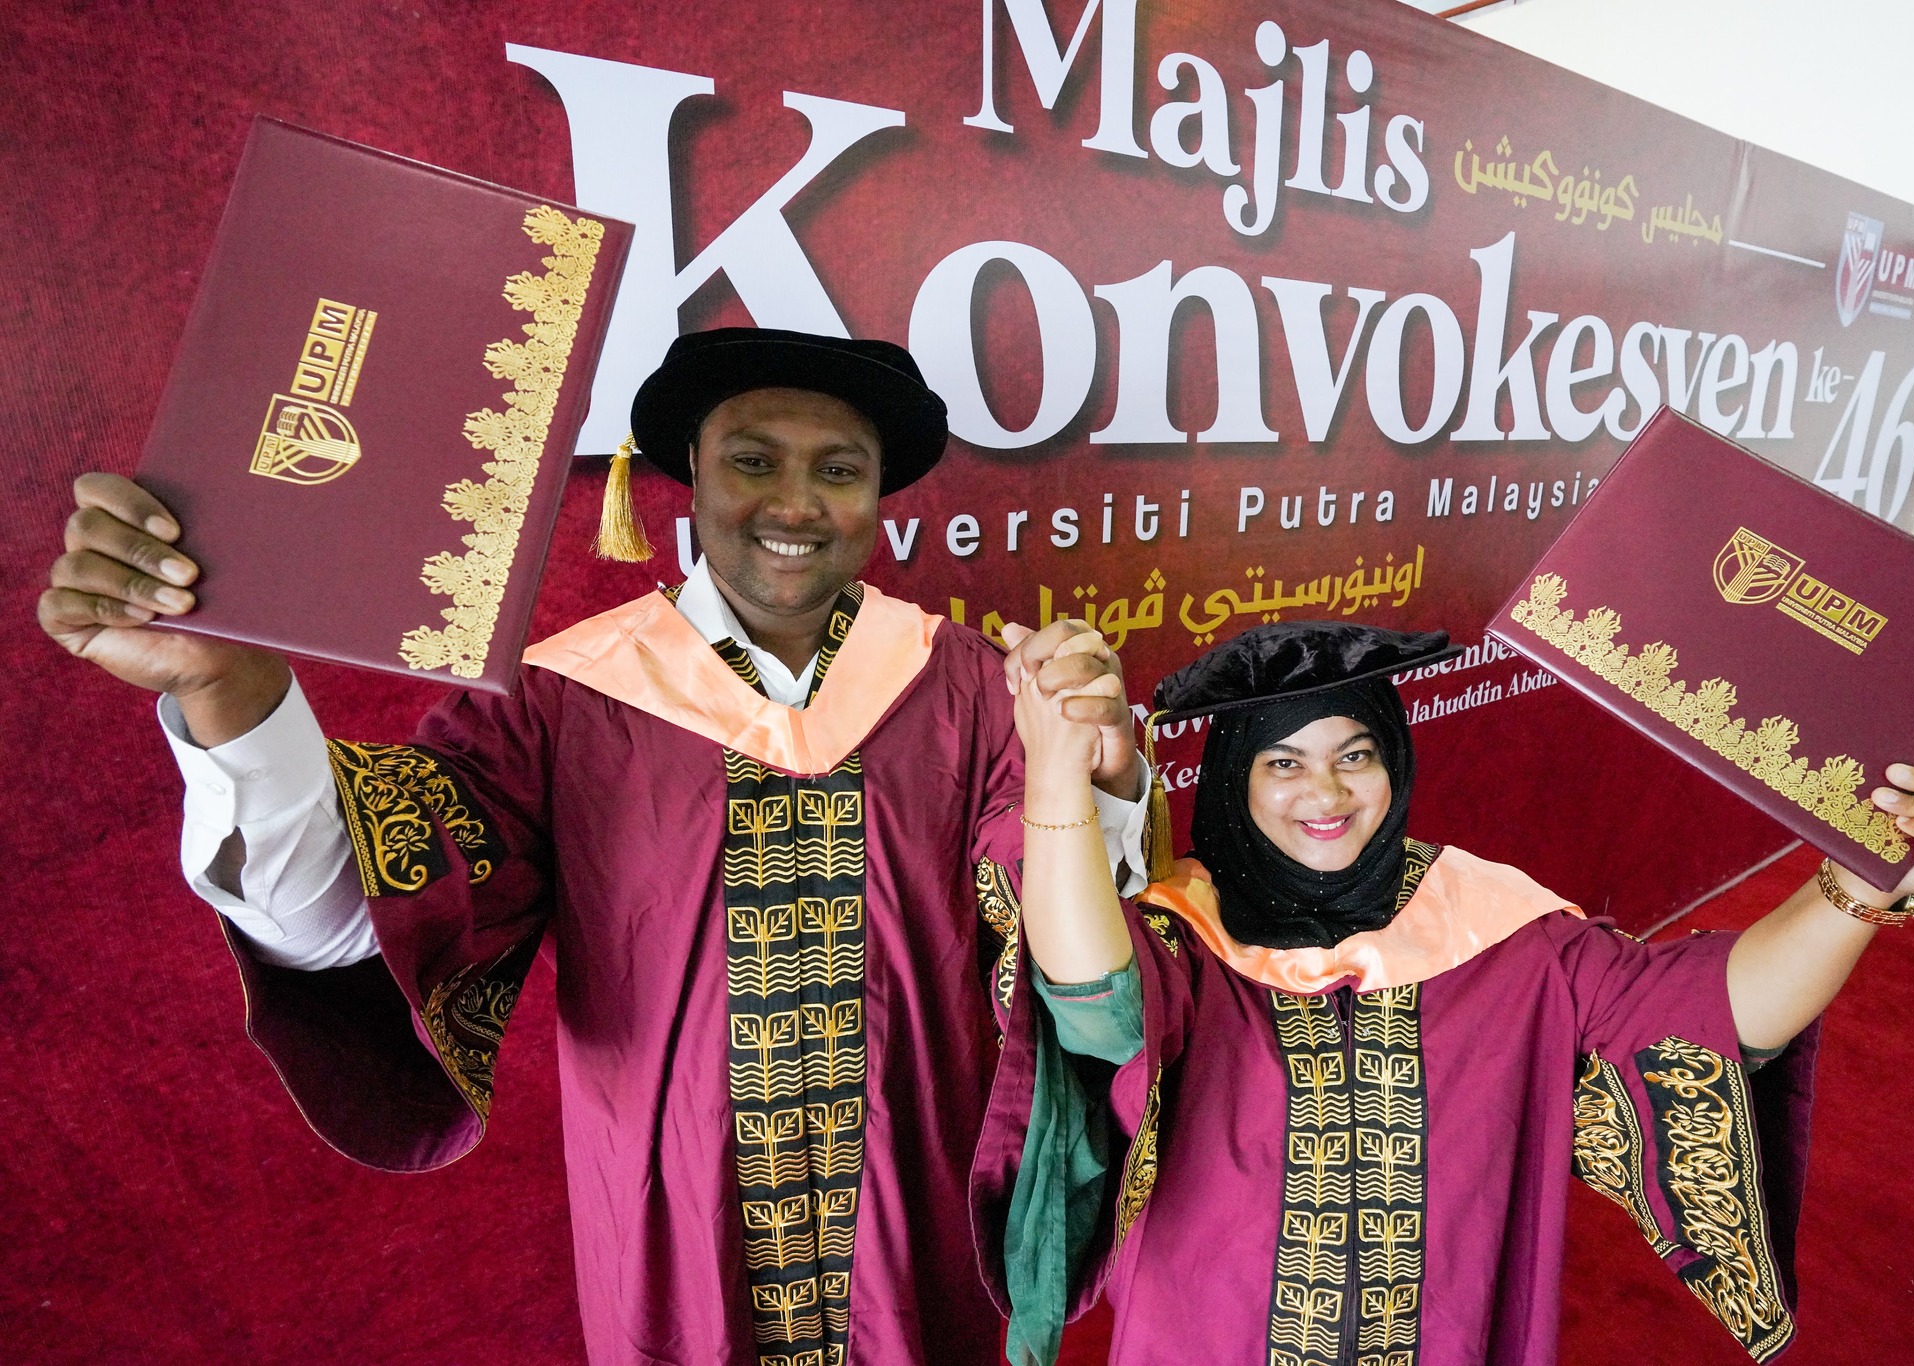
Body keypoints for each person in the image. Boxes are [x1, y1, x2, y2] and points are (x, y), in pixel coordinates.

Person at [38, 327, 1154, 1366]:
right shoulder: (561, 698)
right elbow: (358, 910)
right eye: (752, 461)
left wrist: (1095, 770)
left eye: (838, 470)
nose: (795, 502)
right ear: (689, 479)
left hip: (912, 1230)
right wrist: (230, 694)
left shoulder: (968, 686)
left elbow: (1068, 949)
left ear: (875, 498)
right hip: (672, 1234)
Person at [978, 619, 1914, 1366]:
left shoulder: (1498, 931)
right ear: (1236, 784)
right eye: (1281, 764)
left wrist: (1861, 884)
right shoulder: (1185, 939)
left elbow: (1712, 1018)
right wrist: (1059, 775)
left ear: (1395, 764)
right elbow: (1092, 996)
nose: (1325, 793)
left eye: (1354, 755)